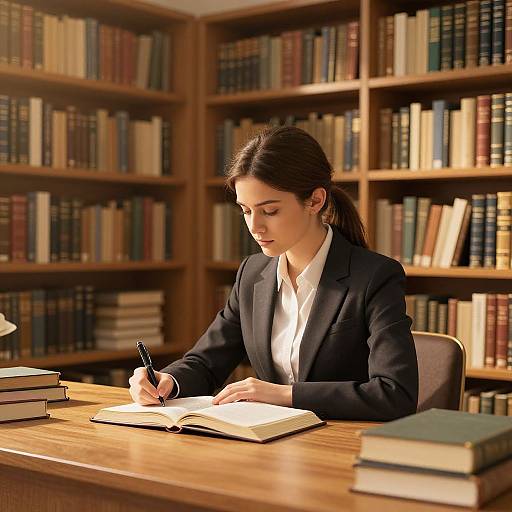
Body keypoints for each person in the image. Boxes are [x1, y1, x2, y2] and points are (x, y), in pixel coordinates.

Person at [129, 126, 418, 420]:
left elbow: (394, 394)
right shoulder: (253, 274)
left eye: (270, 211)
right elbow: (205, 362)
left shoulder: (375, 277)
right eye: (245, 210)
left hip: (339, 445)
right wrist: (168, 381)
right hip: (271, 442)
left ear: (315, 201)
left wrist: (283, 395)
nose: (255, 227)